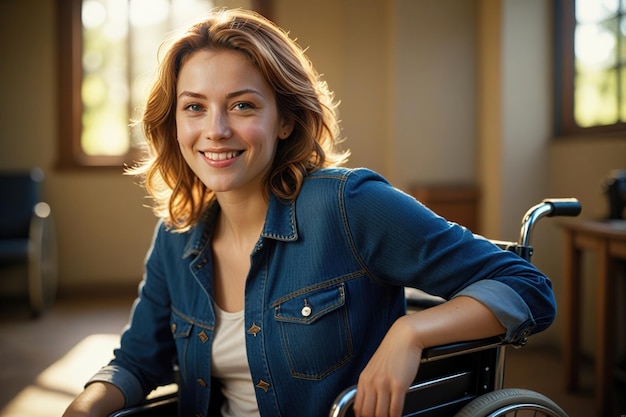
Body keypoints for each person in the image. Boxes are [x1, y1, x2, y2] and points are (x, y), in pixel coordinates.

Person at [63, 7, 556, 417]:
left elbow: (528, 288)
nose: (214, 130)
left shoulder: (347, 205)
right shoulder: (177, 234)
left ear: (285, 121)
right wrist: (84, 407)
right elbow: (138, 360)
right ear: (173, 123)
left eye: (242, 106)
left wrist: (412, 330)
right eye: (194, 107)